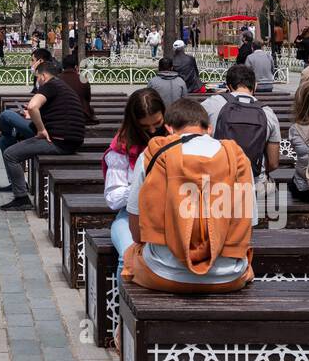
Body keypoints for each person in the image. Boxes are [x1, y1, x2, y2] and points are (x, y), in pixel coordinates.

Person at [118, 97, 253, 295]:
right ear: (210, 128)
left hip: (163, 272)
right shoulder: (237, 156)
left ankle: (122, 323)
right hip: (228, 275)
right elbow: (249, 224)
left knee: (128, 254)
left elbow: (136, 231)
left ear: (169, 128)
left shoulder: (153, 153)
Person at [0, 60, 86, 211]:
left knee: (10, 155)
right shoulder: (62, 87)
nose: (37, 81)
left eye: (38, 77)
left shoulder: (51, 85)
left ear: (44, 76)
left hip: (58, 141)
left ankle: (22, 199)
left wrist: (40, 130)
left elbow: (33, 106)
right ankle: (6, 139)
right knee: (12, 142)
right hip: (71, 139)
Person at [103, 89, 168, 256]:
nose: (153, 131)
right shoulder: (122, 146)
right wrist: (141, 186)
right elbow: (113, 198)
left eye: (158, 123)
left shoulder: (175, 136)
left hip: (171, 213)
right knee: (130, 255)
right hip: (131, 215)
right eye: (145, 127)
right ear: (134, 123)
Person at [202, 64, 280, 176]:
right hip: (254, 181)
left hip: (218, 178)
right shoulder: (267, 112)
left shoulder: (211, 103)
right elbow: (273, 163)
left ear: (228, 87)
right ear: (255, 86)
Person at [58, 55, 98, 126]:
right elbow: (88, 99)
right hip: (81, 116)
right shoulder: (83, 80)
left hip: (61, 116)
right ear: (76, 67)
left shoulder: (57, 80)